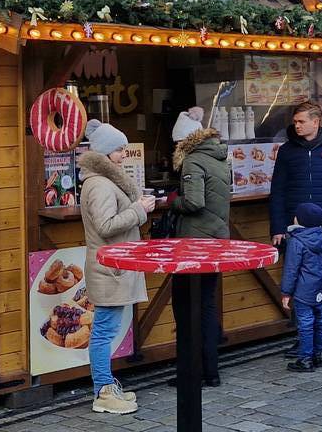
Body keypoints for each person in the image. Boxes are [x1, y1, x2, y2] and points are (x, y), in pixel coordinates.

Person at [78, 120, 156, 415]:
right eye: (120, 149)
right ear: (106, 152)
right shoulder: (99, 184)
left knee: (105, 329)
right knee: (103, 332)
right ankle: (103, 392)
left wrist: (137, 208)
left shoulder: (103, 180)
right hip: (109, 268)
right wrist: (139, 210)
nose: (125, 154)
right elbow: (106, 226)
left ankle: (107, 385)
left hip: (114, 266)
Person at [269, 101, 322, 355]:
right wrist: (278, 227)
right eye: (295, 122)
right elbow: (278, 190)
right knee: (298, 281)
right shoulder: (287, 151)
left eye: (301, 121)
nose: (296, 126)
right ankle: (304, 336)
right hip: (295, 228)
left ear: (315, 122)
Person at [167, 108, 230, 387]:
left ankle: (190, 372)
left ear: (184, 141)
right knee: (206, 304)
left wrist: (173, 201)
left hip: (194, 244)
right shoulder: (219, 158)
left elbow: (194, 202)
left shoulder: (193, 161)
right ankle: (210, 371)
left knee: (185, 306)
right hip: (216, 239)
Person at [280, 202, 322, 372]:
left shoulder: (297, 241)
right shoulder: (321, 237)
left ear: (300, 220)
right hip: (319, 287)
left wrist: (286, 293)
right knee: (321, 319)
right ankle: (317, 355)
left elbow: (291, 269)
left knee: (306, 323)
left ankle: (305, 359)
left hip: (303, 290)